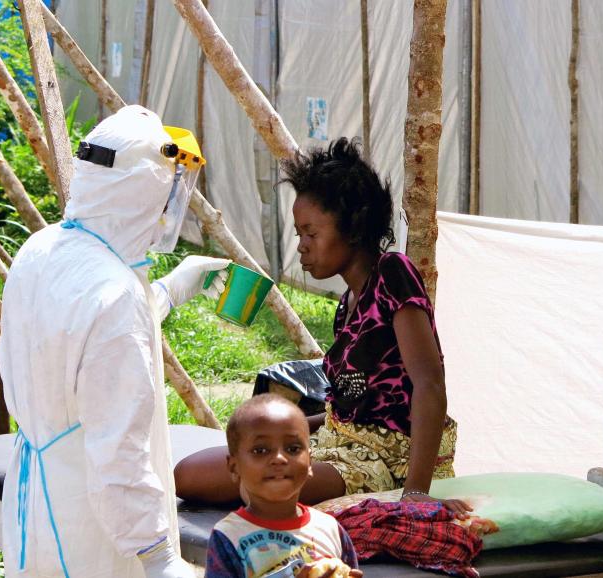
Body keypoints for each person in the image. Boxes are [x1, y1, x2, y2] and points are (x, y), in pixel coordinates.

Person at [176, 137, 470, 516]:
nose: (302, 246)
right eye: (300, 234)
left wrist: (414, 494)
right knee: (190, 474)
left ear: (353, 227)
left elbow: (429, 383)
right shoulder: (347, 303)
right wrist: (279, 430)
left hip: (388, 463)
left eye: (311, 233)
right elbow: (345, 409)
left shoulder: (393, 274)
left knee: (258, 485)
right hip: (335, 443)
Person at [0, 105, 231, 577]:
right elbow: (117, 450)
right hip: (93, 526)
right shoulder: (116, 296)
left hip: (34, 498)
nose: (167, 213)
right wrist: (158, 555)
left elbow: (76, 343)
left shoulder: (43, 249)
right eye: (166, 193)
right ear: (140, 193)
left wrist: (168, 291)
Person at [204, 395, 361, 578]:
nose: (279, 458)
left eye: (293, 449)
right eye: (260, 450)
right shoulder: (229, 537)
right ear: (234, 467)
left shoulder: (330, 528)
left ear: (310, 462)